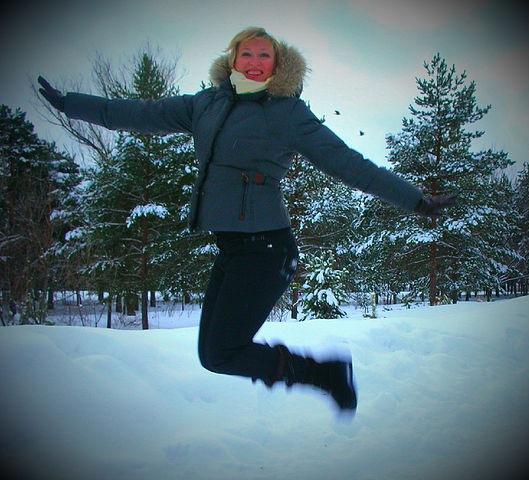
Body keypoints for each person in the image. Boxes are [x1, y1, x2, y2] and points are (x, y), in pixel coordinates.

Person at [38, 27, 455, 415]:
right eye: (247, 54)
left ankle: (324, 375)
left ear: (278, 64)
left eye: (265, 55)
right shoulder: (205, 104)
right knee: (213, 355)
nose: (255, 62)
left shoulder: (287, 113)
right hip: (234, 247)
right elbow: (137, 112)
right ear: (232, 59)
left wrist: (416, 201)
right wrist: (70, 104)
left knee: (222, 353)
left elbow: (349, 163)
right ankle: (324, 373)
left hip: (267, 249)